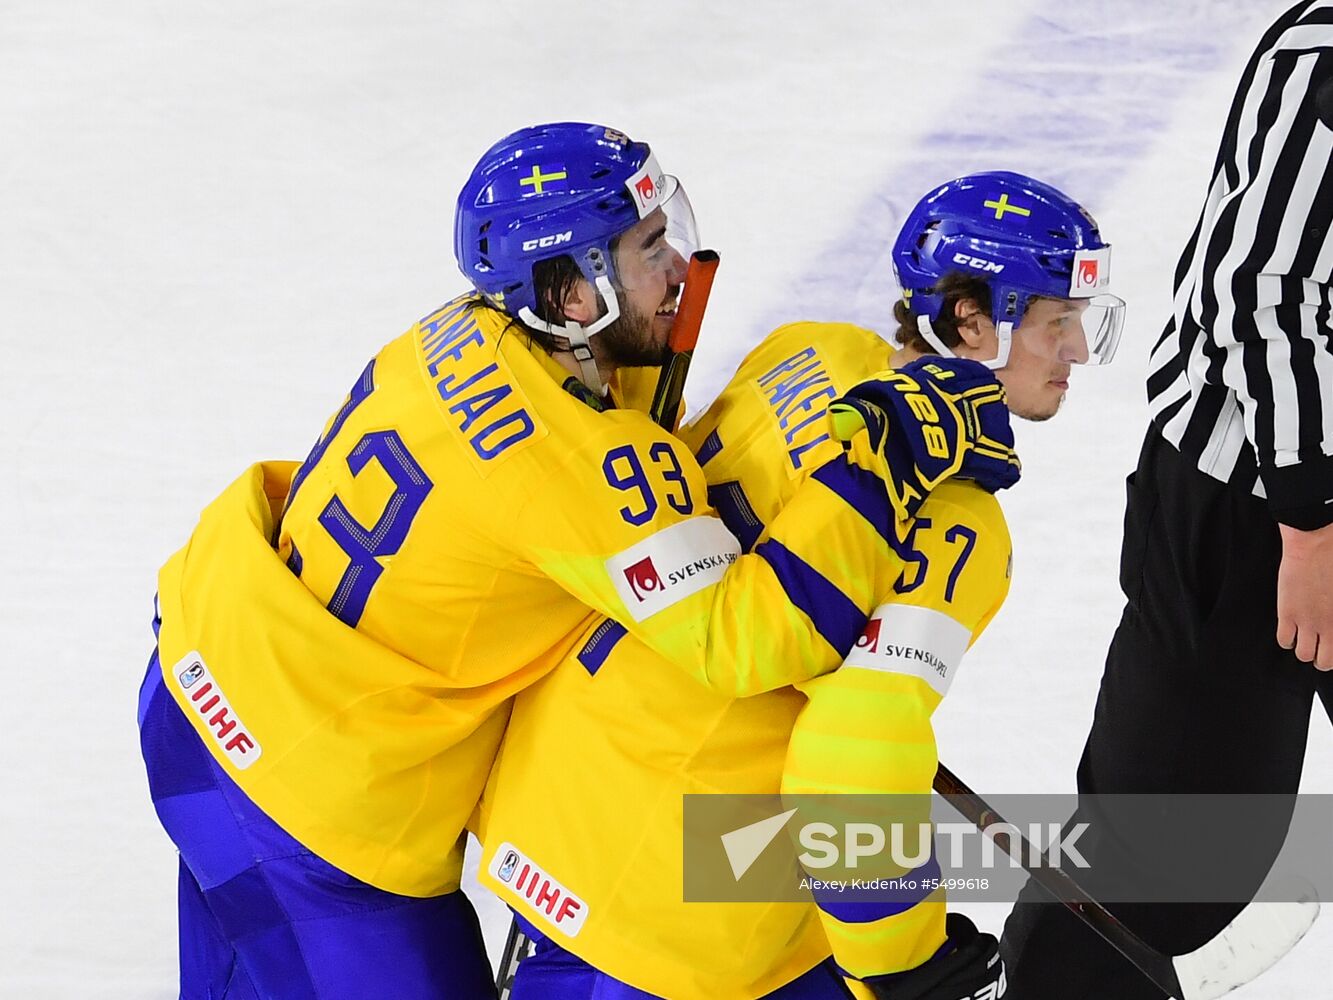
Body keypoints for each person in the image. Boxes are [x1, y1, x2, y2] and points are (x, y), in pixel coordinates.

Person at [136, 123, 1003, 999]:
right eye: (649, 248)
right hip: (302, 801)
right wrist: (885, 461)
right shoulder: (574, 458)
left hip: (202, 684)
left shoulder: (470, 329)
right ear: (568, 290)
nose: (677, 269)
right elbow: (745, 643)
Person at [473, 171, 1124, 1000]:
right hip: (685, 903)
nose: (1074, 352)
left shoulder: (803, 350)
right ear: (971, 321)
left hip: (552, 809)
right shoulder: (960, 521)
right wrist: (902, 962)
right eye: (1056, 321)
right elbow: (851, 757)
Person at [1001, 3, 1333, 997]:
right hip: (1253, 513)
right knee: (1171, 864)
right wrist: (1309, 528)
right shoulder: (1324, 62)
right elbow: (1263, 296)